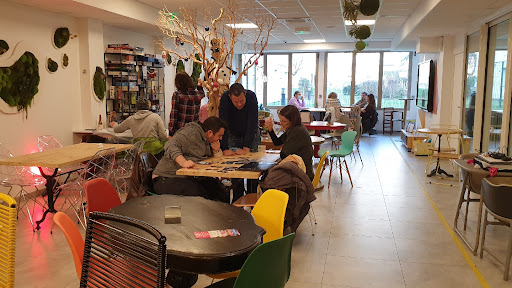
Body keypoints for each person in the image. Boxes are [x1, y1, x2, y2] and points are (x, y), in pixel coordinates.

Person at [152, 116, 229, 202]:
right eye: (220, 135)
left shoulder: (206, 140)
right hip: (164, 178)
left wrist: (217, 151)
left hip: (184, 177)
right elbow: (170, 145)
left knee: (219, 190)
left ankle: (224, 215)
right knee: (199, 193)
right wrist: (183, 162)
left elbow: (210, 159)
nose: (221, 139)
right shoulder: (190, 133)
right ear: (210, 133)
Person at [219, 83, 260, 201]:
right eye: (236, 102)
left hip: (251, 133)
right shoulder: (225, 99)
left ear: (245, 94)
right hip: (233, 133)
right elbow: (223, 123)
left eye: (242, 100)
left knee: (253, 168)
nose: (239, 104)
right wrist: (225, 148)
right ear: (230, 97)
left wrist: (246, 147)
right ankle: (238, 200)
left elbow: (252, 123)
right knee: (236, 169)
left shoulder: (251, 97)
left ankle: (253, 202)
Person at [265, 105, 314, 180]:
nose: (281, 123)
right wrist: (270, 129)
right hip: (298, 169)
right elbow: (277, 142)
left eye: (284, 121)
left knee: (268, 178)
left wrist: (283, 150)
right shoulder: (293, 128)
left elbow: (283, 155)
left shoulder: (297, 131)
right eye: (280, 120)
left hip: (302, 174)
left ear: (293, 120)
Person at [168, 72, 204, 138]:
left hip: (181, 130)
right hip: (194, 130)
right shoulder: (198, 94)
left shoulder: (177, 95)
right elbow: (202, 93)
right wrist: (199, 86)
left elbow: (174, 115)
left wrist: (171, 132)